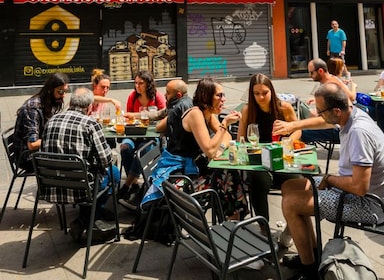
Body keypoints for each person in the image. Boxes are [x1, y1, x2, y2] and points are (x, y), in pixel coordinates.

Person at [280, 83, 384, 280]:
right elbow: (324, 122)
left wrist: (329, 179)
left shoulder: (359, 132)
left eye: (320, 110)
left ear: (336, 111)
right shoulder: (351, 113)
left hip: (369, 205)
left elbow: (359, 188)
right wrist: (295, 125)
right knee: (290, 186)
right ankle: (312, 255)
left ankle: (309, 272)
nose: (317, 113)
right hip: (353, 193)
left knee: (291, 203)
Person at [142, 77, 246, 219]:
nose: (223, 99)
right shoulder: (195, 113)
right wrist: (225, 123)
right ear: (206, 97)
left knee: (228, 174)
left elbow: (226, 137)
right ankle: (232, 223)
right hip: (178, 180)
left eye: (223, 95)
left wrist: (220, 149)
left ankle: (231, 222)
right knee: (226, 177)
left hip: (192, 172)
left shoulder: (207, 113)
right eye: (219, 95)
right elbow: (209, 150)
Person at [41, 87, 119, 243]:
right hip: (80, 188)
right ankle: (88, 219)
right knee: (114, 173)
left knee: (90, 174)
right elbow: (106, 160)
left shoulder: (51, 121)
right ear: (89, 107)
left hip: (50, 186)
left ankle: (86, 218)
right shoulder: (90, 124)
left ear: (70, 102)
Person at [237, 73, 301, 222]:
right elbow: (240, 138)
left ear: (272, 91)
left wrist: (287, 141)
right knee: (258, 180)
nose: (261, 97)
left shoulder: (284, 108)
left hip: (281, 154)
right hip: (258, 157)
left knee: (296, 181)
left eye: (265, 93)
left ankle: (293, 225)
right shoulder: (248, 110)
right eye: (256, 94)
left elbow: (298, 129)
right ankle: (263, 224)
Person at [274, 58, 355, 145]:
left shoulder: (331, 83)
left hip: (337, 128)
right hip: (334, 124)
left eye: (311, 72)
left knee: (299, 133)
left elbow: (351, 98)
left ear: (320, 71)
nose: (310, 75)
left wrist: (353, 86)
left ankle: (286, 149)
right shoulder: (327, 82)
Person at [119, 70, 167, 208]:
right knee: (125, 148)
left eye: (141, 83)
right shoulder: (132, 97)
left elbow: (164, 116)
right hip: (134, 134)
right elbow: (127, 117)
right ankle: (133, 184)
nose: (137, 86)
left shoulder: (157, 97)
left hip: (151, 135)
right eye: (136, 83)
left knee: (141, 153)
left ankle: (126, 186)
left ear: (148, 84)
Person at [14, 72, 69, 171]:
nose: (63, 95)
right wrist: (55, 141)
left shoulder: (49, 102)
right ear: (50, 90)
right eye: (60, 92)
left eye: (65, 91)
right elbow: (32, 144)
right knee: (71, 160)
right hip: (28, 157)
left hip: (41, 151)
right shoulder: (33, 109)